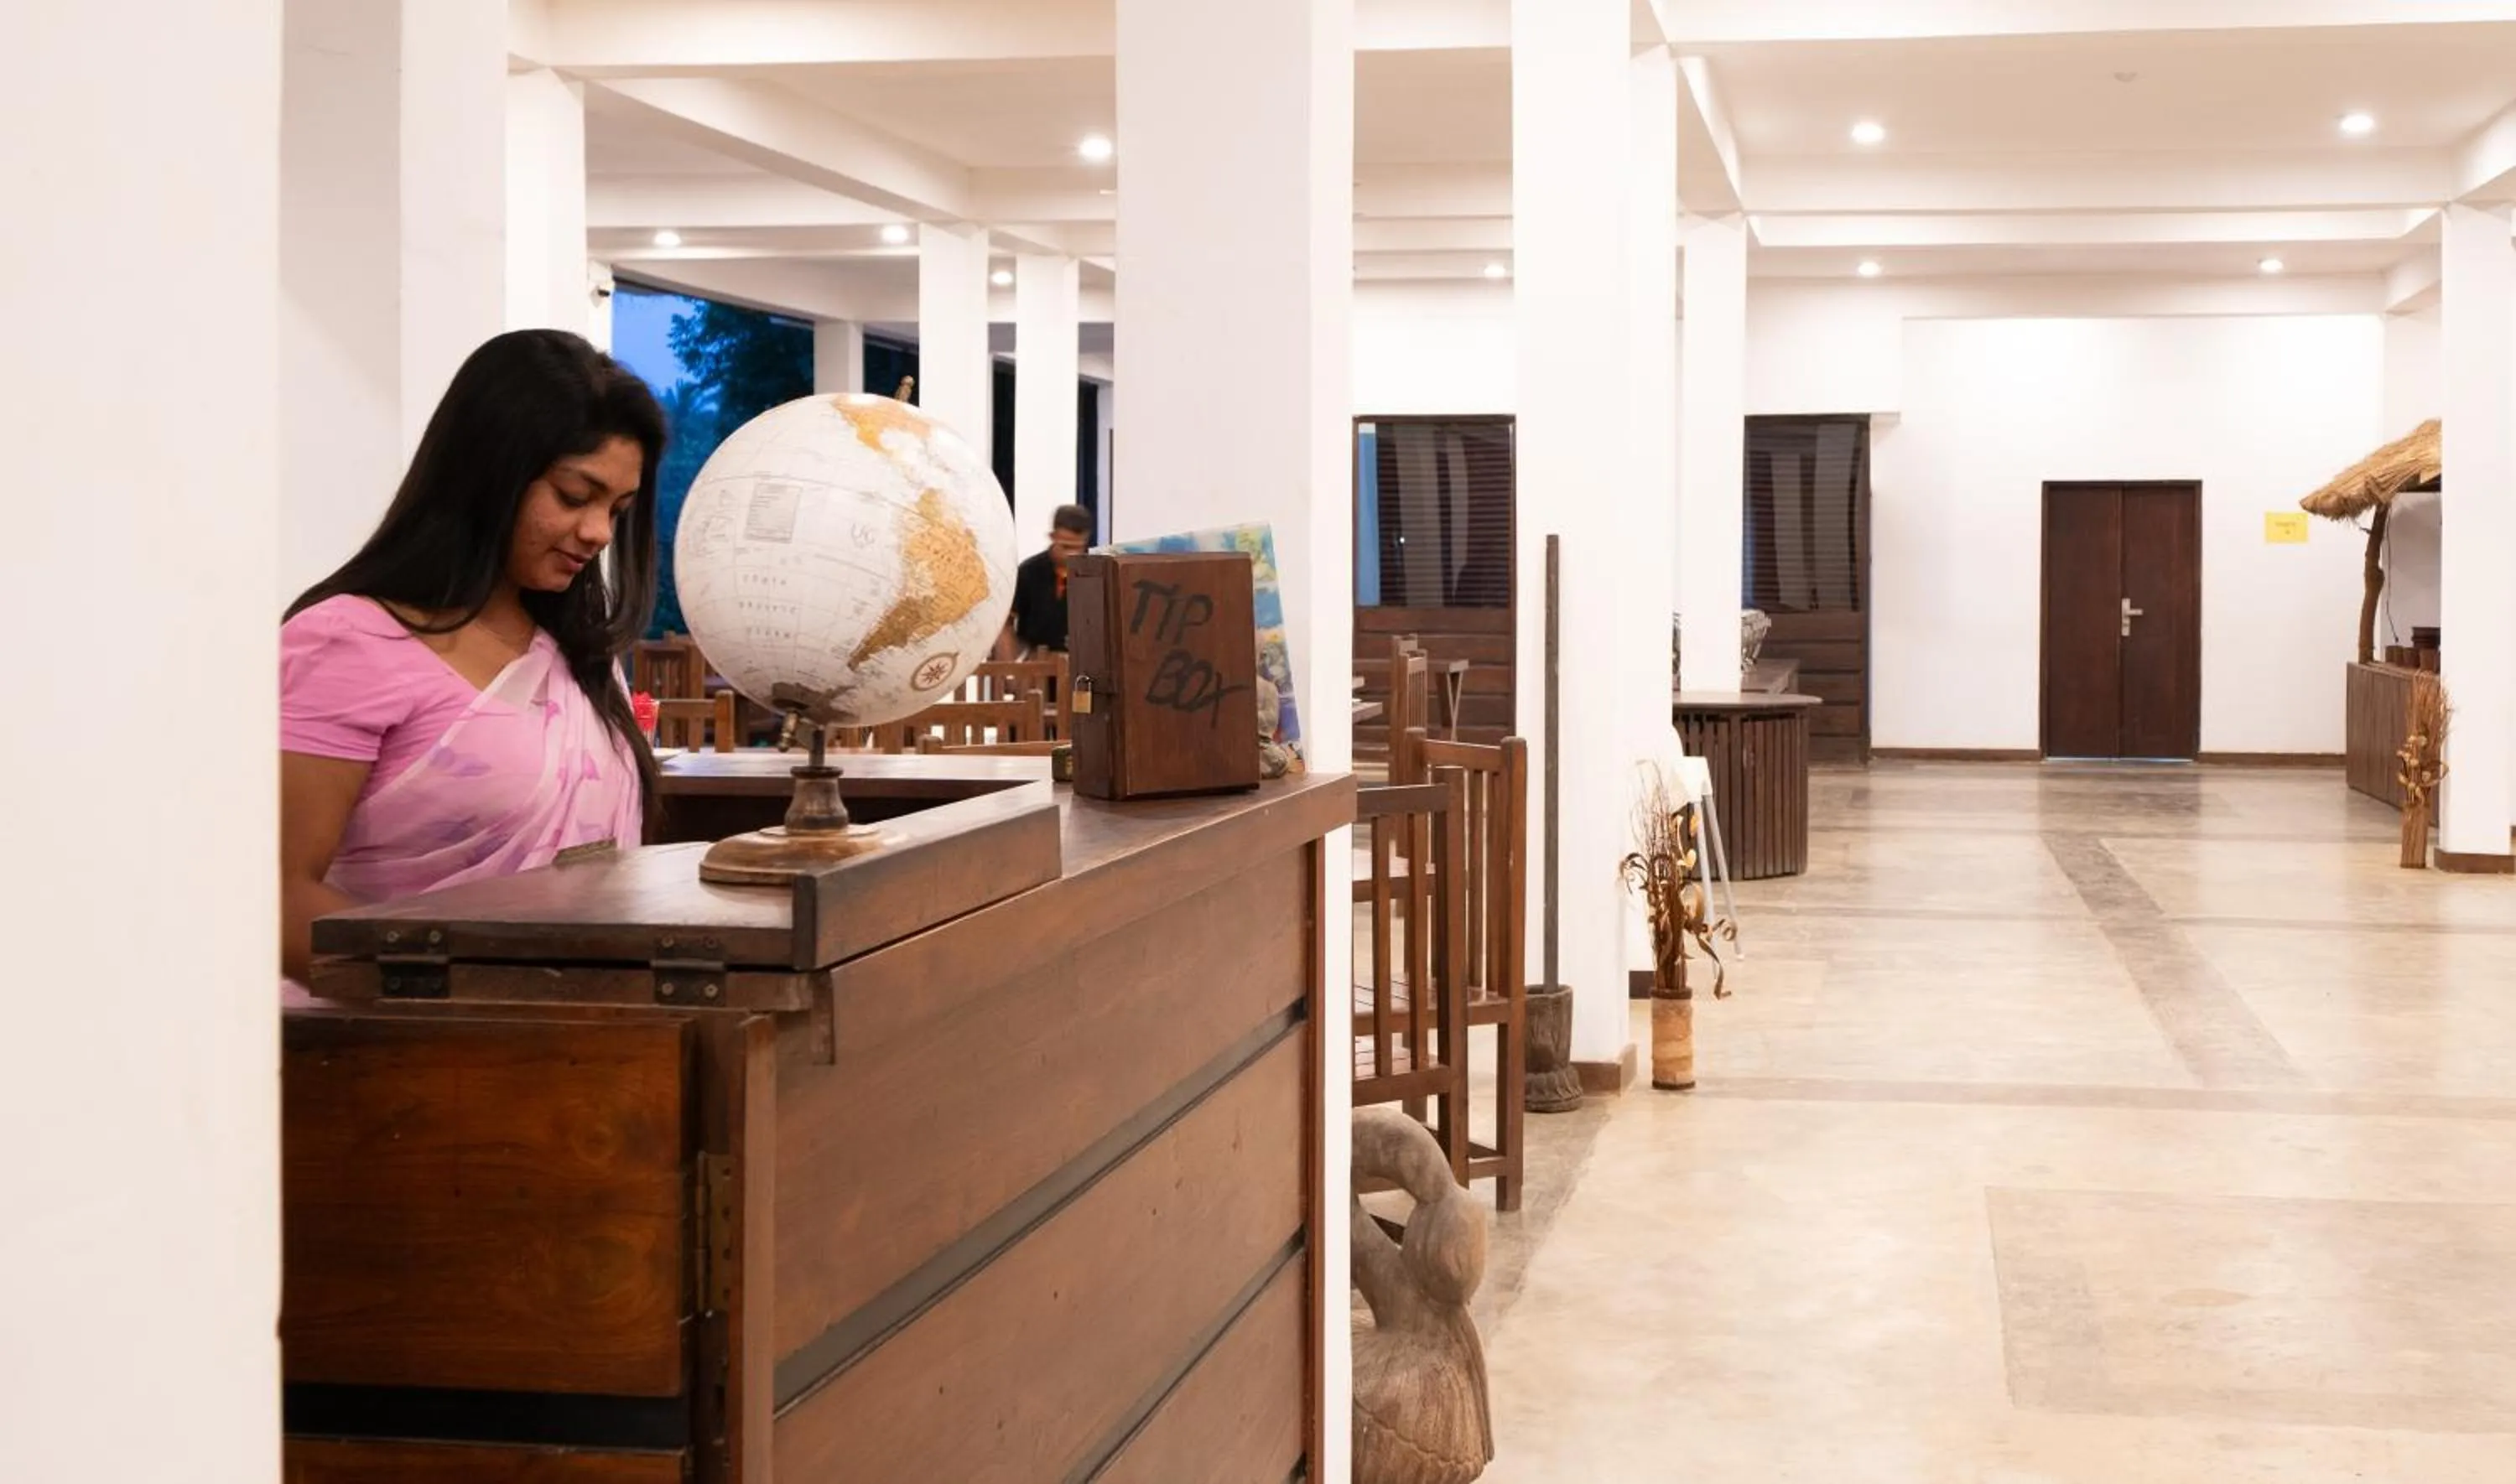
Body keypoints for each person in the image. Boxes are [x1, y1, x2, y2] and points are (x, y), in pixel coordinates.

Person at [278, 329, 668, 984]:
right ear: (489, 473)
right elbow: (275, 893)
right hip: (395, 1049)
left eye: (617, 510)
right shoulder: (345, 643)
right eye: (575, 496)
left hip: (590, 1042)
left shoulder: (578, 655)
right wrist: (470, 993)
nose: (598, 532)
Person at [998, 502, 1093, 658]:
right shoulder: (1028, 572)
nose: (1072, 555)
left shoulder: (1096, 574)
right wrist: (1011, 672)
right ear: (1052, 537)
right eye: (1066, 547)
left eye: (1078, 548)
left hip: (1082, 665)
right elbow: (1005, 625)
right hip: (1035, 663)